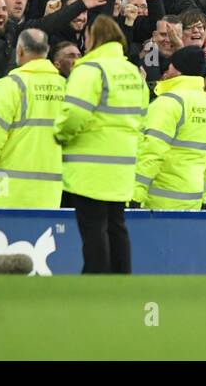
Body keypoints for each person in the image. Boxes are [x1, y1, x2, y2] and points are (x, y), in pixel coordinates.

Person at [55, 15, 150, 273]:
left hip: (90, 165)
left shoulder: (90, 70)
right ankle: (120, 280)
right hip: (122, 165)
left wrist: (60, 135)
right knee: (116, 225)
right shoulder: (131, 72)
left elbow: (74, 113)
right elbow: (143, 113)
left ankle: (97, 281)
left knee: (93, 228)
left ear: (92, 38)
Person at [0, 28, 66, 208]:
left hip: (8, 193)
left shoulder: (10, 86)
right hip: (51, 194)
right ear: (46, 51)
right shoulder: (66, 88)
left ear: (20, 51)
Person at [133, 46, 206, 210]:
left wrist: (135, 195)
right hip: (193, 200)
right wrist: (203, 195)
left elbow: (151, 152)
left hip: (158, 201)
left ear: (177, 69)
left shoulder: (167, 103)